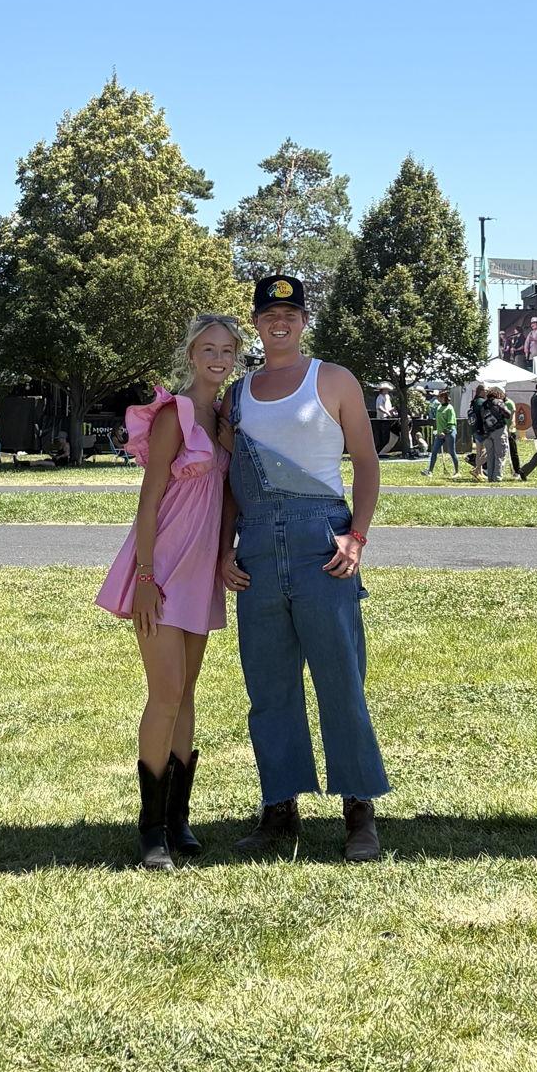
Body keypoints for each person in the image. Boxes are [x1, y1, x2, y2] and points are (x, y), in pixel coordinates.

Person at [219, 275, 388, 863]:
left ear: (303, 320)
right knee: (268, 687)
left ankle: (359, 809)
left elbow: (366, 464)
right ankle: (279, 808)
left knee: (341, 679)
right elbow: (230, 485)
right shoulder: (236, 395)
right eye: (269, 315)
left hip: (324, 543)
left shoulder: (333, 380)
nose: (280, 323)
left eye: (290, 313)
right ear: (258, 324)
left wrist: (357, 537)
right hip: (257, 547)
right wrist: (223, 551)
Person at [94, 312, 240, 870]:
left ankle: (179, 819)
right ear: (191, 353)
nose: (217, 359)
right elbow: (149, 498)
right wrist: (147, 575)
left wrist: (225, 551)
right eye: (208, 348)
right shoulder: (172, 415)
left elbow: (228, 498)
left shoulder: (227, 417)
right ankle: (150, 829)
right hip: (161, 567)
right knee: (166, 690)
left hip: (202, 569)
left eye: (227, 350)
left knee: (188, 694)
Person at [473, 382, 514, 483]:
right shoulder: (498, 402)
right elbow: (508, 414)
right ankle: (497, 477)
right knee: (500, 454)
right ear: (498, 394)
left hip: (487, 432)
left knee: (490, 455)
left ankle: (490, 477)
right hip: (499, 430)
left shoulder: (484, 404)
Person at [423, 389, 459, 475]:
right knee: (434, 451)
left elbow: (451, 423)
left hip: (449, 433)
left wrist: (444, 432)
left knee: (452, 452)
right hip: (440, 434)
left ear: (444, 397)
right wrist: (438, 431)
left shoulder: (450, 408)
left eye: (440, 396)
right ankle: (430, 471)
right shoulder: (439, 407)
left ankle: (457, 472)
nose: (438, 398)